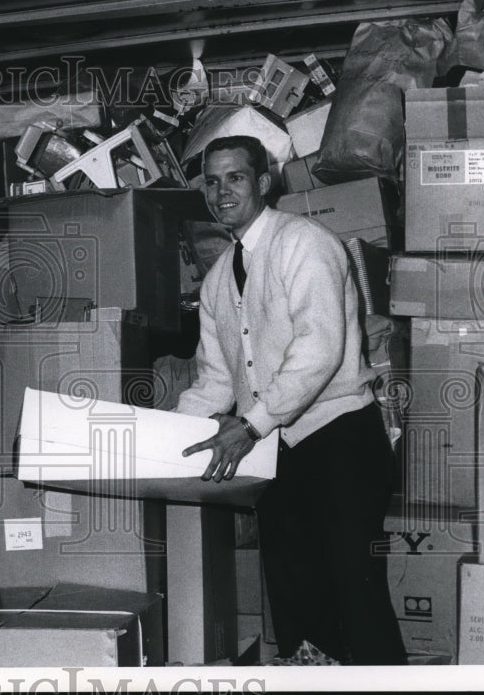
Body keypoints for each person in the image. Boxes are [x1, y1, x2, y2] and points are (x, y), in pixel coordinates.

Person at [177, 135, 406, 665]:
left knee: (356, 592)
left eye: (235, 177)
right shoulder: (215, 283)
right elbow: (214, 380)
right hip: (278, 453)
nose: (221, 191)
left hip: (340, 440)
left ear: (262, 182)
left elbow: (319, 349)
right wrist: (161, 437)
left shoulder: (305, 242)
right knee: (295, 596)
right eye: (212, 181)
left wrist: (250, 424)